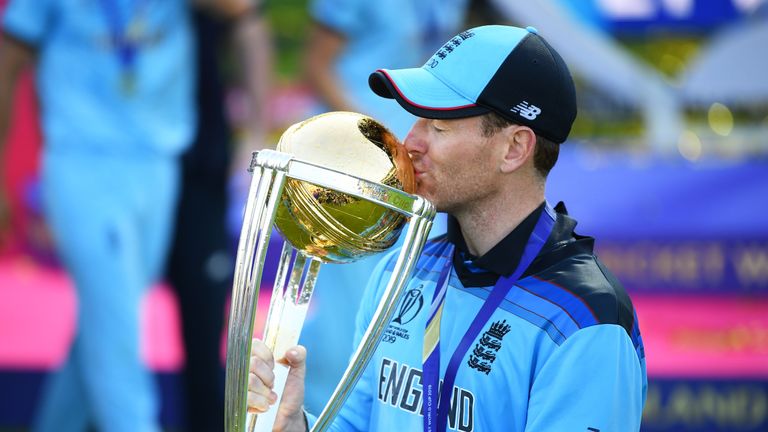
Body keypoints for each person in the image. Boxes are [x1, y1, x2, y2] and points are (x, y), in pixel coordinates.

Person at [247, 25, 648, 431]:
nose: (410, 143)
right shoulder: (401, 271)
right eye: (416, 120)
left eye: (438, 127)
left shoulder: (585, 322)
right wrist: (292, 422)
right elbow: (357, 422)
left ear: (514, 148)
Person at [0, 1, 235, 430]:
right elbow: (9, 56)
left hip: (159, 163)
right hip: (84, 158)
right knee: (117, 329)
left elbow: (239, 9)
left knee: (108, 317)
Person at [166, 2, 271, 431]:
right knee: (107, 315)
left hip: (199, 165)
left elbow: (249, 21)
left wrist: (257, 133)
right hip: (125, 168)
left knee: (206, 320)